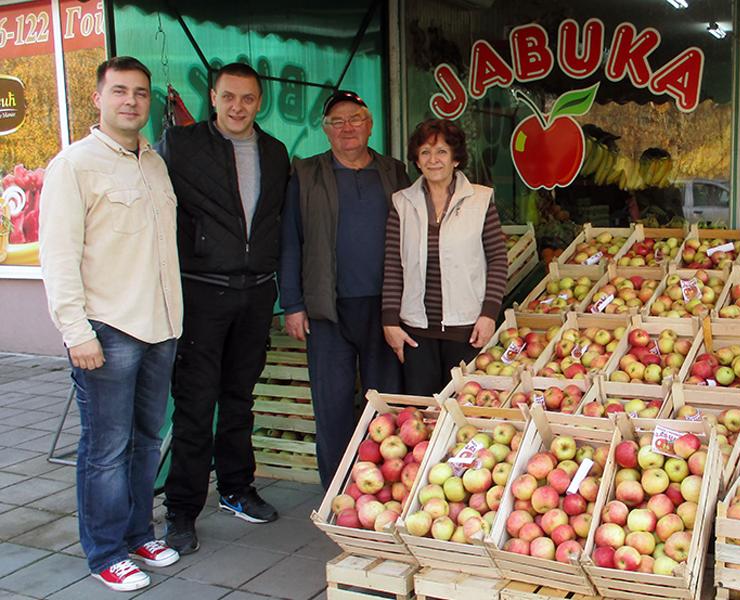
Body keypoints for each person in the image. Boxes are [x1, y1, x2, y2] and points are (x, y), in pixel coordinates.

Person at [39, 56, 182, 592]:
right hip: (109, 330)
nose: (131, 101)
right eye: (120, 91)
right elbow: (57, 256)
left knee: (147, 440)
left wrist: (175, 325)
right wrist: (76, 332)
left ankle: (139, 532)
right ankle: (104, 552)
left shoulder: (154, 164)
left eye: (140, 93)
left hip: (162, 327)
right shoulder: (73, 166)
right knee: (105, 448)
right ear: (98, 99)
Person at [158, 63, 290, 554]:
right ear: (212, 98)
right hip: (202, 291)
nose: (238, 107)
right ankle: (181, 511)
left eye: (249, 98)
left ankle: (236, 488)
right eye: (229, 97)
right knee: (195, 404)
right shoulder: (181, 146)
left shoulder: (275, 153)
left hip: (256, 293)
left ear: (260, 101)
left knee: (239, 398)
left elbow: (277, 220)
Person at [279, 90, 408, 489]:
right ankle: (337, 490)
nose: (347, 127)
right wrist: (292, 304)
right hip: (326, 307)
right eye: (337, 121)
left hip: (385, 307)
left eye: (355, 118)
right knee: (332, 405)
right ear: (325, 129)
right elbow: (289, 241)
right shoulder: (305, 173)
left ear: (370, 125)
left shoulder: (394, 171)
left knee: (384, 402)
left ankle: (385, 488)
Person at [382, 119, 507, 395]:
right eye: (425, 152)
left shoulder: (480, 200)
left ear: (456, 159)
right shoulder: (402, 203)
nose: (433, 159)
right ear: (416, 159)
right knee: (423, 417)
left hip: (467, 329)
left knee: (467, 410)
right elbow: (393, 265)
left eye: (441, 151)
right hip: (416, 332)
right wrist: (390, 321)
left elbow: (498, 259)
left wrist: (489, 314)